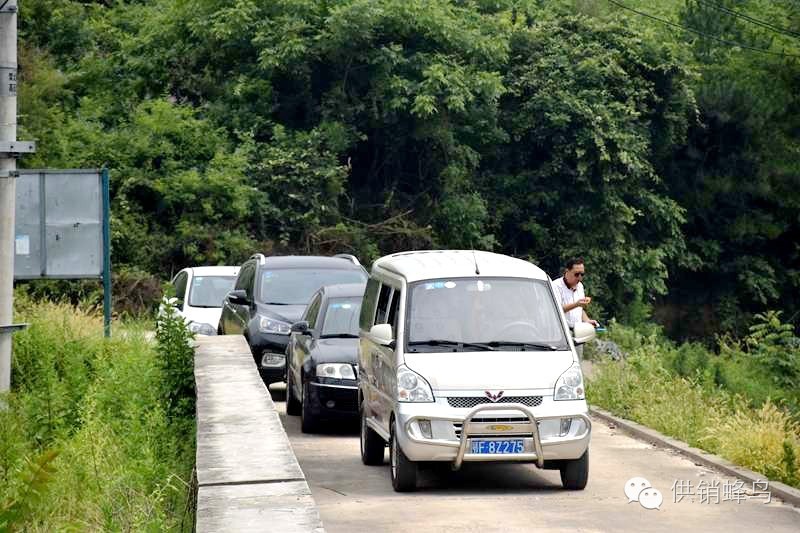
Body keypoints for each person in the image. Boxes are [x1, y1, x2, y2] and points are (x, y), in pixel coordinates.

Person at [552, 258, 597, 357]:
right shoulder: (556, 286)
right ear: (567, 272)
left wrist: (587, 321)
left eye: (582, 274)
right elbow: (556, 309)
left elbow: (579, 310)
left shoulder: (580, 286)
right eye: (576, 274)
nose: (580, 278)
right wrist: (576, 304)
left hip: (577, 332)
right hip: (562, 334)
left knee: (577, 363)